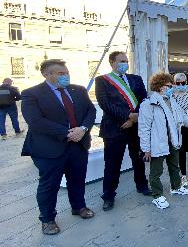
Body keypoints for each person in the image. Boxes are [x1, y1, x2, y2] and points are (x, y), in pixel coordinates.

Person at [21, 59, 96, 235]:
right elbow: (35, 121)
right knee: (49, 185)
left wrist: (83, 129)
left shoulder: (78, 90)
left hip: (78, 145)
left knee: (77, 179)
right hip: (49, 148)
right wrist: (68, 132)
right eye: (60, 74)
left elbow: (90, 111)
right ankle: (47, 219)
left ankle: (79, 207)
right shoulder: (32, 94)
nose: (66, 76)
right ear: (47, 74)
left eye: (66, 72)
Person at [138, 72, 188, 210]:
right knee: (156, 171)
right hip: (157, 143)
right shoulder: (149, 104)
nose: (172, 88)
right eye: (169, 86)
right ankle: (157, 196)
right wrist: (146, 149)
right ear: (160, 87)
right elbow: (144, 129)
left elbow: (183, 117)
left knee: (174, 166)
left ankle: (176, 187)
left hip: (173, 140)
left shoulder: (171, 101)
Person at [95, 51, 150, 212]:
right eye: (121, 61)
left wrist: (133, 119)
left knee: (138, 159)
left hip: (135, 126)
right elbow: (105, 104)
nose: (125, 63)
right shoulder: (102, 80)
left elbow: (143, 99)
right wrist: (126, 116)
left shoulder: (136, 79)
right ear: (112, 63)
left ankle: (142, 186)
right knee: (112, 164)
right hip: (114, 128)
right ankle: (108, 196)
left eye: (126, 61)